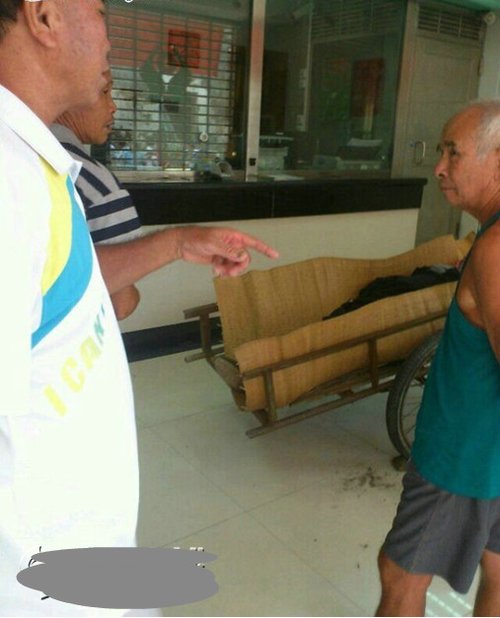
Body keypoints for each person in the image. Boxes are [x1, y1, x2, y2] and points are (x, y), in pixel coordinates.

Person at [0, 1, 277, 615]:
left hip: (86, 541)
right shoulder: (6, 180)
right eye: (100, 11)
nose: (110, 38)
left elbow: (64, 288)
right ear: (43, 16)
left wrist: (176, 243)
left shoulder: (34, 161)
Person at [376, 101, 500, 617]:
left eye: (454, 152)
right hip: (489, 453)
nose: (439, 167)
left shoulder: (496, 249)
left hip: (461, 458)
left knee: (400, 576)